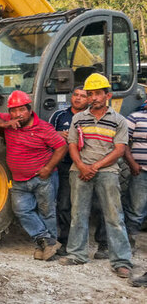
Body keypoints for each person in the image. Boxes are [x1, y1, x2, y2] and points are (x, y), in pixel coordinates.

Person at [59, 73, 133, 278]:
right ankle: (77, 254)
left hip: (107, 172)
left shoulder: (118, 121)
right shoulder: (78, 118)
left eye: (97, 94)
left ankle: (121, 261)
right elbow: (71, 144)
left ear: (107, 95)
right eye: (90, 94)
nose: (93, 98)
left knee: (114, 217)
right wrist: (82, 166)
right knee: (78, 214)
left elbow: (119, 150)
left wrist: (95, 167)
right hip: (80, 172)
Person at [0, 90, 66, 260]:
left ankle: (47, 247)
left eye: (21, 110)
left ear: (29, 109)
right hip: (19, 180)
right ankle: (47, 242)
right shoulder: (9, 121)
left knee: (47, 212)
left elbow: (61, 146)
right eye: (13, 110)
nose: (17, 114)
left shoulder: (43, 128)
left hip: (43, 178)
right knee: (21, 211)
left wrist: (48, 168)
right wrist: (5, 124)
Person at [48, 86, 105, 253]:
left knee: (98, 204)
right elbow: (46, 135)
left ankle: (103, 244)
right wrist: (57, 134)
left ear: (89, 99)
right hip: (66, 166)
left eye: (82, 96)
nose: (78, 98)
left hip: (92, 166)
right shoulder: (59, 116)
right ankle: (66, 242)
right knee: (65, 204)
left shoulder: (94, 116)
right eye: (75, 95)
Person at [124, 106, 147, 287]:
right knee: (136, 210)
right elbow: (123, 142)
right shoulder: (135, 117)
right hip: (142, 172)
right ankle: (128, 246)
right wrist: (132, 163)